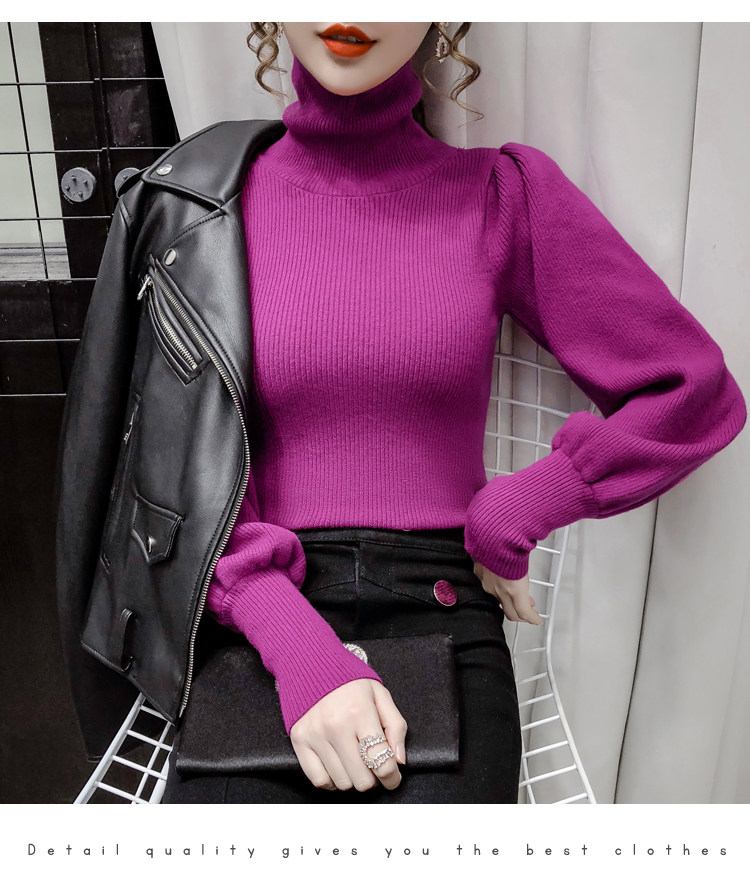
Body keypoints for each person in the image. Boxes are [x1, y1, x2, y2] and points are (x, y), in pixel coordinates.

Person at [54, 22, 745, 805]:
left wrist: (520, 507)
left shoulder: (500, 194)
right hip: (257, 614)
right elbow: (170, 474)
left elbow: (689, 390)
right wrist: (300, 650)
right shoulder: (200, 209)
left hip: (442, 613)